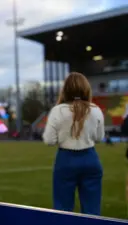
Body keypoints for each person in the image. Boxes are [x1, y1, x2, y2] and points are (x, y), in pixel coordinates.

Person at [43, 72, 104, 216]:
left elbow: (49, 140)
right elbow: (99, 137)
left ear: (66, 89)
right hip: (90, 158)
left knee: (62, 211)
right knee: (92, 211)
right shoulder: (95, 109)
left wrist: (64, 136)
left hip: (66, 159)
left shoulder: (58, 110)